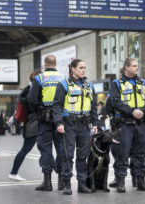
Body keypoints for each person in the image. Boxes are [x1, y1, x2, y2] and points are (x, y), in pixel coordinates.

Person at [53, 59, 98, 195]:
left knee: (83, 155)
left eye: (84, 68)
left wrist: (95, 123)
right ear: (72, 69)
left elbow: (94, 107)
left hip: (85, 124)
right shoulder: (63, 85)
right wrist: (59, 123)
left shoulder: (89, 85)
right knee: (68, 155)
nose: (83, 70)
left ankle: (82, 184)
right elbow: (57, 106)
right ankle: (67, 184)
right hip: (69, 124)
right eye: (80, 68)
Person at [109, 57, 145, 193]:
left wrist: (142, 111)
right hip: (125, 124)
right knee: (122, 152)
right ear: (126, 67)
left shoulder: (143, 82)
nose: (137, 68)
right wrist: (132, 111)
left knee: (141, 153)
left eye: (137, 65)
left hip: (141, 124)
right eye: (134, 66)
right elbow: (116, 102)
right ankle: (121, 182)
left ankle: (141, 181)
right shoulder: (116, 83)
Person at [27, 55, 64, 192]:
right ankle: (62, 182)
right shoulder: (64, 78)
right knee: (61, 148)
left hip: (45, 120)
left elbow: (31, 100)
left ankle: (47, 183)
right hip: (61, 120)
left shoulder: (39, 78)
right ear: (55, 64)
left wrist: (39, 109)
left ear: (45, 65)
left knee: (45, 148)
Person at [9, 69, 42, 181]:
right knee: (28, 149)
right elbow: (33, 105)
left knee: (43, 149)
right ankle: (13, 173)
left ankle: (13, 173)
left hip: (31, 123)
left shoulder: (29, 89)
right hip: (34, 123)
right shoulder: (34, 90)